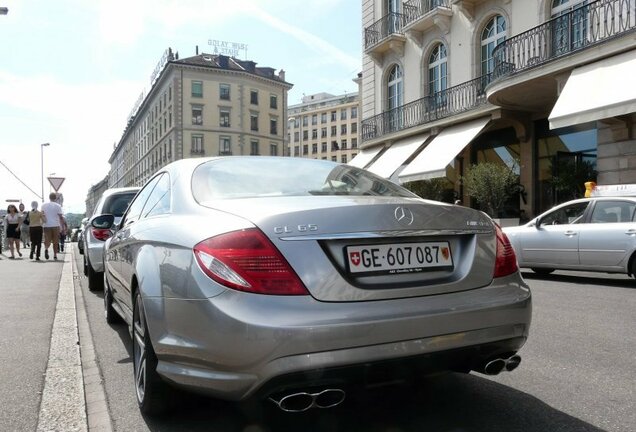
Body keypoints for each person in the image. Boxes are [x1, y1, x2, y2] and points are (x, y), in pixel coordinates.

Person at [41, 192, 64, 260]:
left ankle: (46, 249)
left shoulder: (43, 205)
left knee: (47, 239)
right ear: (56, 198)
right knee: (55, 241)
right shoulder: (58, 206)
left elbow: (42, 214)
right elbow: (60, 217)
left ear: (49, 197)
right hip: (55, 225)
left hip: (46, 225)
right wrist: (62, 227)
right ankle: (55, 255)